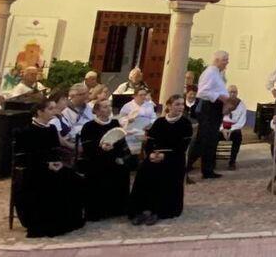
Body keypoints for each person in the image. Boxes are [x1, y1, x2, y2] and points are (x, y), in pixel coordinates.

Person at [13, 97, 85, 237]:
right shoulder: (26, 131)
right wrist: (46, 164)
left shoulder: (51, 128)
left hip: (54, 166)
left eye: (54, 108)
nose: (54, 112)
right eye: (50, 109)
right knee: (49, 184)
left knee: (73, 179)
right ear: (40, 112)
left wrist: (58, 162)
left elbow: (55, 150)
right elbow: (24, 157)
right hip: (35, 169)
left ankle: (68, 219)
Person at [128, 94, 193, 225]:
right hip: (155, 156)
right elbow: (150, 142)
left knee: (164, 174)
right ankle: (139, 210)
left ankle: (158, 210)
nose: (181, 107)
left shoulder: (185, 124)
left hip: (174, 158)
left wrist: (166, 156)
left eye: (182, 104)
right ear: (169, 106)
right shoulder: (159, 122)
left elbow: (182, 147)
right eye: (177, 104)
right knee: (143, 173)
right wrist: (151, 154)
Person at [79, 98, 131, 220]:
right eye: (104, 107)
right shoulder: (89, 126)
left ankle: (116, 209)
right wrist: (102, 148)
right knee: (97, 173)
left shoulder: (115, 124)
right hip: (96, 160)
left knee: (121, 169)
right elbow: (87, 147)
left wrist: (117, 154)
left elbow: (120, 143)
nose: (108, 109)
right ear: (96, 111)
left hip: (113, 158)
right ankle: (98, 211)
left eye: (109, 106)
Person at [195, 50, 230, 179]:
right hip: (209, 108)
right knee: (204, 139)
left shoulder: (219, 74)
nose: (227, 62)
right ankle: (187, 167)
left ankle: (208, 169)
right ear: (217, 60)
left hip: (215, 109)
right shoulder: (210, 73)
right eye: (225, 60)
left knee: (212, 140)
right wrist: (219, 97)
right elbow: (202, 92)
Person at [119, 88, 157, 155]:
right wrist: (128, 120)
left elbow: (153, 117)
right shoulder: (127, 106)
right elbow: (121, 118)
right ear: (135, 96)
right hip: (133, 129)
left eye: (144, 95)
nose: (143, 97)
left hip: (146, 129)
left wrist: (151, 123)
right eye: (141, 95)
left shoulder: (149, 105)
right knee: (134, 152)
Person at [220, 84, 247, 171]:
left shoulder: (241, 105)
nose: (232, 94)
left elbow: (241, 121)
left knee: (238, 137)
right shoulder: (222, 103)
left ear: (237, 93)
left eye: (234, 92)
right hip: (221, 127)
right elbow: (216, 119)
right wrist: (222, 129)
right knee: (212, 137)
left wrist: (231, 130)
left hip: (234, 128)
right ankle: (211, 162)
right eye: (230, 92)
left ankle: (232, 162)